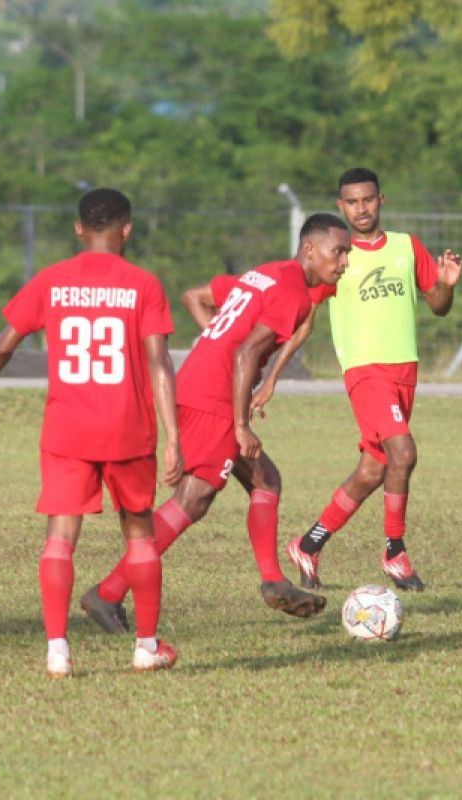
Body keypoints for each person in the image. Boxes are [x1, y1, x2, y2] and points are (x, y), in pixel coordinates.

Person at [78, 213, 351, 634]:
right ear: (310, 249)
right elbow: (244, 355)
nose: (344, 261)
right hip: (216, 399)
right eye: (339, 251)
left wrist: (215, 342)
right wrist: (241, 424)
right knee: (193, 500)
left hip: (200, 384)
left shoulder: (267, 273)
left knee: (266, 481)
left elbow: (201, 300)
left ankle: (273, 579)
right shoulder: (293, 292)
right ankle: (109, 592)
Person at [0, 188, 182, 678]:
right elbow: (159, 362)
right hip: (128, 428)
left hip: (68, 429)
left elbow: (5, 342)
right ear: (127, 229)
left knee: (60, 539)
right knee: (140, 536)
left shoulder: (52, 281)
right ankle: (146, 646)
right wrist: (174, 437)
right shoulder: (144, 285)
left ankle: (58, 651)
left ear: (78, 228)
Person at [255, 167, 462, 593]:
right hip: (366, 374)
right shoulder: (338, 257)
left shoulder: (406, 247)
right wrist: (271, 376)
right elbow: (303, 326)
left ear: (381, 201)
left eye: (367, 200)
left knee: (373, 470)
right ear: (340, 206)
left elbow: (438, 305)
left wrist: (446, 284)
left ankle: (308, 544)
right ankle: (394, 552)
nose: (361, 208)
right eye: (351, 202)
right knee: (403, 452)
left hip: (405, 371)